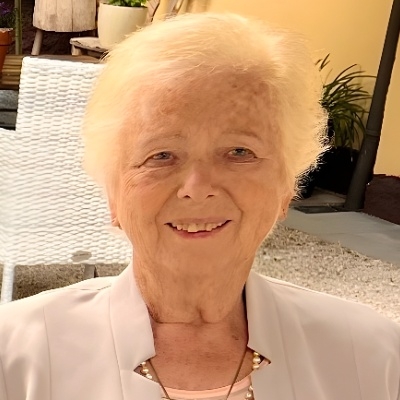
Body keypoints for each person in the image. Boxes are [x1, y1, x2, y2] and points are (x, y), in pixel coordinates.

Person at [0, 13, 399, 400]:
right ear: (114, 194)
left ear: (286, 186)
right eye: (161, 155)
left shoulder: (372, 356)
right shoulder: (15, 356)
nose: (198, 189)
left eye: (239, 151)